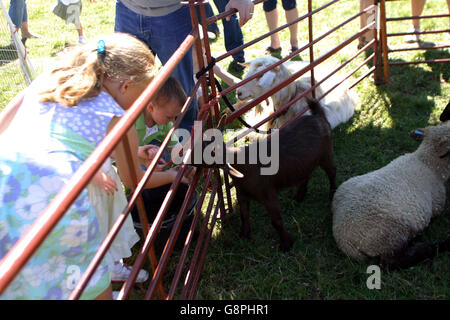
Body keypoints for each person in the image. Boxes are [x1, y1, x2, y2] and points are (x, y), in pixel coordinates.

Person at [0, 33, 190, 300]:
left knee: (16, 271)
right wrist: (174, 175)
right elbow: (134, 181)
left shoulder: (51, 79)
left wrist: (133, 152)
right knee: (83, 277)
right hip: (57, 193)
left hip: (6, 178)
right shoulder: (117, 116)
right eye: (143, 93)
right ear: (127, 86)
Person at [114, 0, 254, 132]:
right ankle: (138, 139)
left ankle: (186, 142)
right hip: (127, 9)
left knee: (183, 90)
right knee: (126, 84)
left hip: (173, 12)